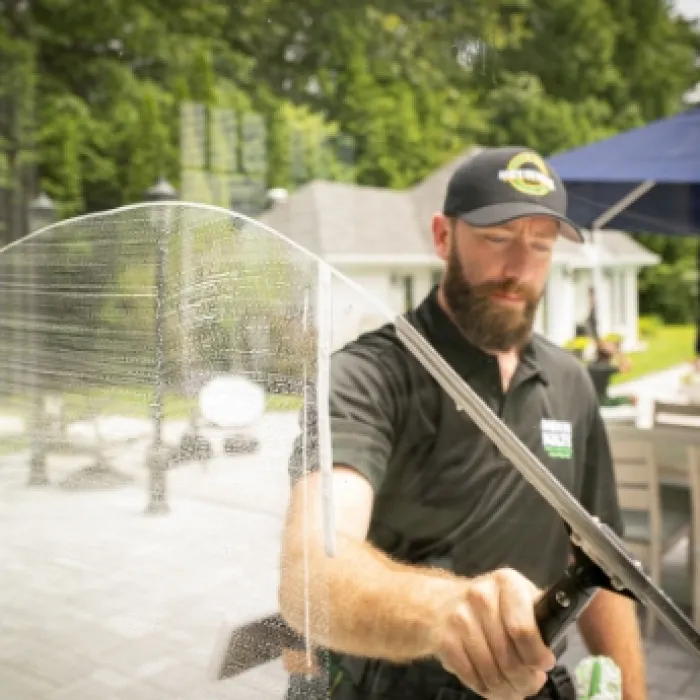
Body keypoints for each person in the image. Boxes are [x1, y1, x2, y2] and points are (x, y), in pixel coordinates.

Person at [279, 147, 647, 700]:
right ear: (444, 236)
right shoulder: (368, 376)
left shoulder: (570, 382)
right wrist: (448, 610)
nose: (519, 267)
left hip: (537, 683)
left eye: (541, 245)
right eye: (497, 238)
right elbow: (311, 569)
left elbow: (602, 566)